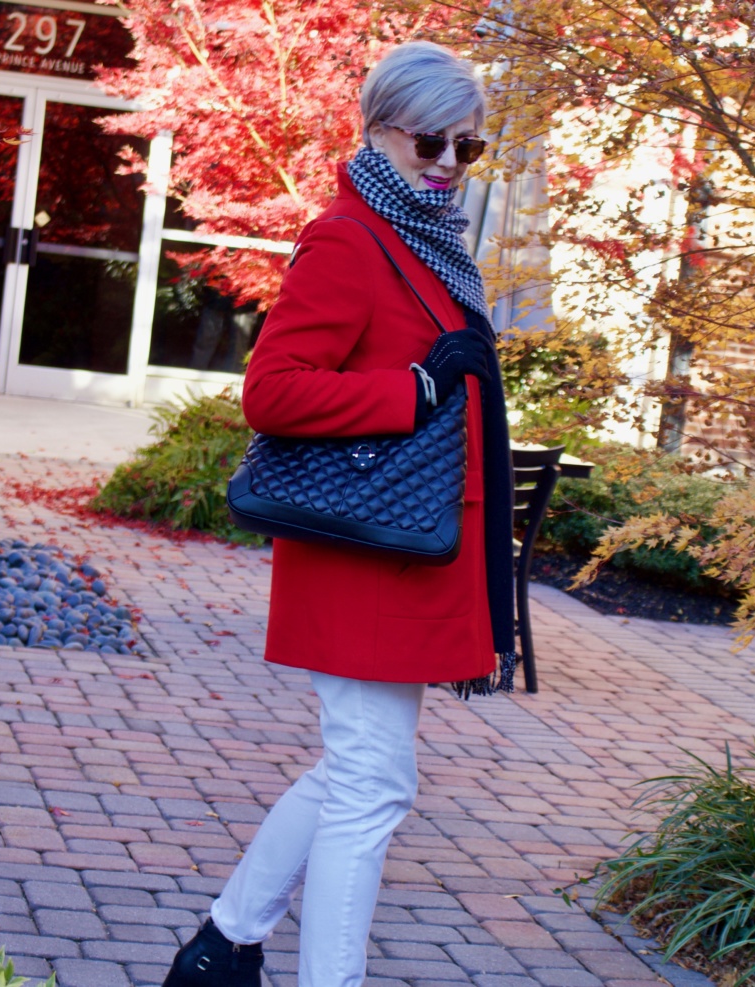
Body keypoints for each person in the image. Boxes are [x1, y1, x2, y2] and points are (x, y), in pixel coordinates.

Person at [160, 40, 517, 987]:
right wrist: (409, 391)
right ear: (380, 131)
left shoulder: (433, 245)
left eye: (467, 150)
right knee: (369, 784)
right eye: (430, 143)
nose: (447, 165)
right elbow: (271, 392)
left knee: (363, 777)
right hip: (363, 548)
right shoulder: (348, 237)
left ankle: (224, 945)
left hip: (413, 547)